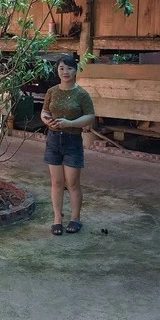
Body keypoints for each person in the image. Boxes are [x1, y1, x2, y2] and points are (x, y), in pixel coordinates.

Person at [40, 55, 95, 235]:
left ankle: (75, 218)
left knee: (72, 182)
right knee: (57, 182)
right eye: (62, 68)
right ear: (57, 70)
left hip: (73, 141)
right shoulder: (52, 91)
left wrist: (70, 124)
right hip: (54, 139)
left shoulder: (82, 94)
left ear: (76, 70)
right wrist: (48, 122)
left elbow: (90, 117)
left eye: (69, 68)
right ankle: (57, 219)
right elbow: (44, 112)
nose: (65, 72)